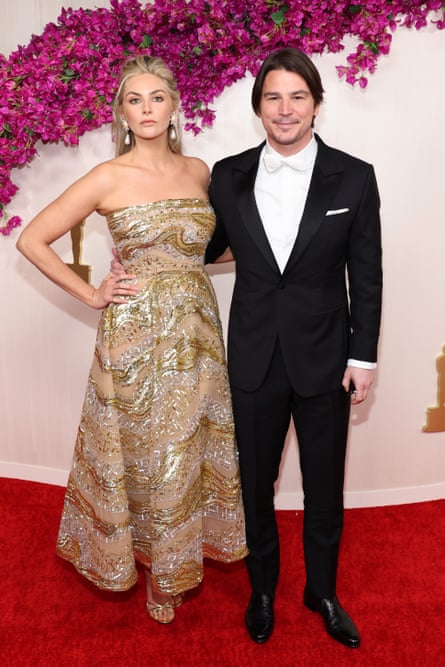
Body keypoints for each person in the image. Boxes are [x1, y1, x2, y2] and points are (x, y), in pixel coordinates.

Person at [16, 55, 247, 625]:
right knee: (147, 455)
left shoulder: (199, 171)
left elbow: (219, 248)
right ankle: (151, 570)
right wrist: (93, 294)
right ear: (121, 113)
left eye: (156, 98)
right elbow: (32, 240)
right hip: (136, 338)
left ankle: (174, 565)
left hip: (197, 333)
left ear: (174, 108)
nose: (146, 109)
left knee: (187, 452)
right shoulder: (108, 177)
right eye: (134, 100)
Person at [205, 48, 383, 647]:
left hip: (327, 359)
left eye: (297, 96)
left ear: (316, 104)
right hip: (253, 355)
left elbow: (368, 273)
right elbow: (199, 248)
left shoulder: (354, 176)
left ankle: (323, 591)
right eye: (273, 97)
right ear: (258, 106)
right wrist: (139, 246)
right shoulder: (225, 175)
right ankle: (262, 590)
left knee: (324, 484)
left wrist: (364, 357)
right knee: (256, 483)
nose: (285, 109)